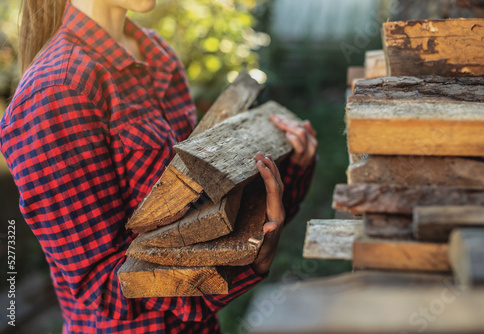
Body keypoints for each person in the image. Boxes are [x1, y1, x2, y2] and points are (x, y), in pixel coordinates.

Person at [0, 0, 317, 333]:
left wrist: (289, 169)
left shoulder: (156, 54)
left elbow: (205, 214)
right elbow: (104, 286)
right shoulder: (57, 91)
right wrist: (250, 265)